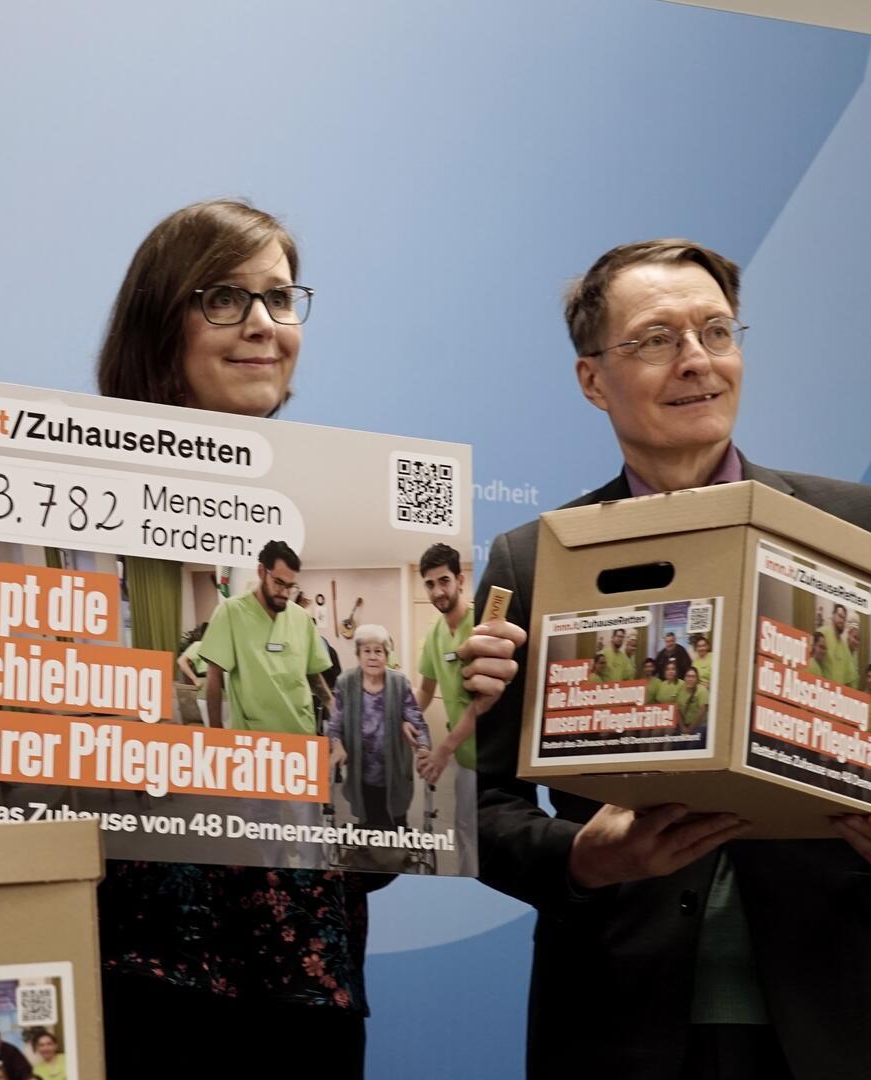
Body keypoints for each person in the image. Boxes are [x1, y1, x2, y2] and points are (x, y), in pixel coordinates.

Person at [474, 237, 871, 1079]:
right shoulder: (536, 560)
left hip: (838, 1016)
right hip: (616, 1021)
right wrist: (582, 857)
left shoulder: (859, 524)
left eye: (717, 333)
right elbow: (481, 804)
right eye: (656, 340)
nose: (696, 361)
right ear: (592, 379)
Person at [90, 198, 523, 1076]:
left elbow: (369, 819)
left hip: (307, 982)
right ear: (159, 319)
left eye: (282, 300)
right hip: (135, 978)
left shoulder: (336, 513)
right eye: (225, 298)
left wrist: (464, 711)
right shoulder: (76, 508)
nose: (262, 324)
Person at [197, 540, 333, 734]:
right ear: (262, 572)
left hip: (301, 734)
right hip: (253, 741)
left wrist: (333, 706)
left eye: (291, 586)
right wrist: (216, 735)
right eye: (279, 583)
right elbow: (214, 676)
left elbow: (313, 674)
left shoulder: (301, 618)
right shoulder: (231, 612)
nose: (285, 593)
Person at [329, 625, 436, 832]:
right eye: (366, 651)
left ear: (387, 655)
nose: (372, 657)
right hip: (361, 773)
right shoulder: (345, 682)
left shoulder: (399, 683)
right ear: (358, 655)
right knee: (367, 828)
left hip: (394, 772)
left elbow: (417, 721)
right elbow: (335, 723)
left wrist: (423, 749)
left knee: (397, 828)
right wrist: (337, 745)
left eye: (378, 651)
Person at [414, 543, 479, 780]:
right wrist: (405, 718)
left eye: (444, 581)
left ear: (460, 580)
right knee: (464, 818)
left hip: (491, 754)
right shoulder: (434, 633)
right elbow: (425, 690)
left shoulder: (481, 625)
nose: (438, 591)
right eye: (430, 584)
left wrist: (443, 750)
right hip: (463, 756)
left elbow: (482, 702)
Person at [818, 603, 862, 690]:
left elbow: (849, 678)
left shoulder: (844, 648)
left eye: (844, 619)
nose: (841, 621)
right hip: (821, 690)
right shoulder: (822, 634)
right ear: (833, 616)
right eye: (840, 616)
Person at [673, 667, 708, 731]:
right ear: (684, 678)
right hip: (684, 725)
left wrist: (689, 730)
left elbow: (702, 712)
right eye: (688, 676)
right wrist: (683, 728)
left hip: (699, 726)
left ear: (697, 679)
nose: (690, 679)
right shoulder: (680, 689)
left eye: (693, 677)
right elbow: (677, 710)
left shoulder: (702, 690)